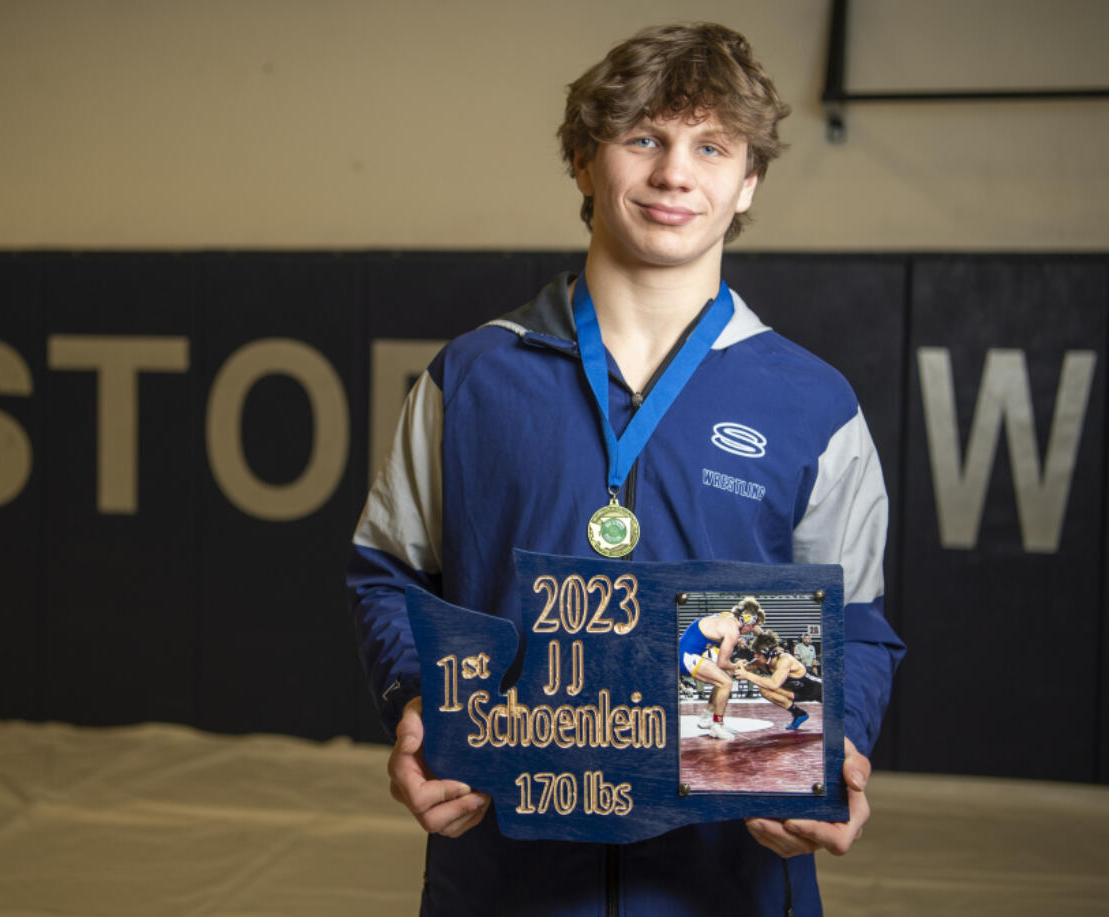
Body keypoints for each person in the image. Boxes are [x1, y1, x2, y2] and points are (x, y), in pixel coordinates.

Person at [348, 21, 905, 916]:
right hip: (504, 879)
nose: (674, 172)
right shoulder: (474, 376)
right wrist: (418, 698)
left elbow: (859, 623)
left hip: (728, 881)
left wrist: (835, 744)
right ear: (582, 159)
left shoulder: (815, 404)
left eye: (711, 146)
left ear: (748, 179)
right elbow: (390, 572)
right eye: (642, 137)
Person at [678, 597, 764, 738]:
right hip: (686, 656)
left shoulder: (729, 616)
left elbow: (755, 627)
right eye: (751, 627)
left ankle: (707, 717)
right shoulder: (733, 632)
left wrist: (765, 638)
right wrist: (737, 665)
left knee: (723, 679)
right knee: (726, 682)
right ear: (746, 621)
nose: (750, 631)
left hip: (689, 650)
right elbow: (722, 664)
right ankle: (717, 725)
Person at [735, 630, 824, 729]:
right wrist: (738, 664)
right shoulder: (760, 661)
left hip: (818, 690)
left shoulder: (785, 660)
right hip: (797, 692)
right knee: (764, 690)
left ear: (768, 652)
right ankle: (799, 713)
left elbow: (774, 684)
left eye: (758, 653)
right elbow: (738, 669)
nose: (755, 656)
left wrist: (747, 675)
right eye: (755, 653)